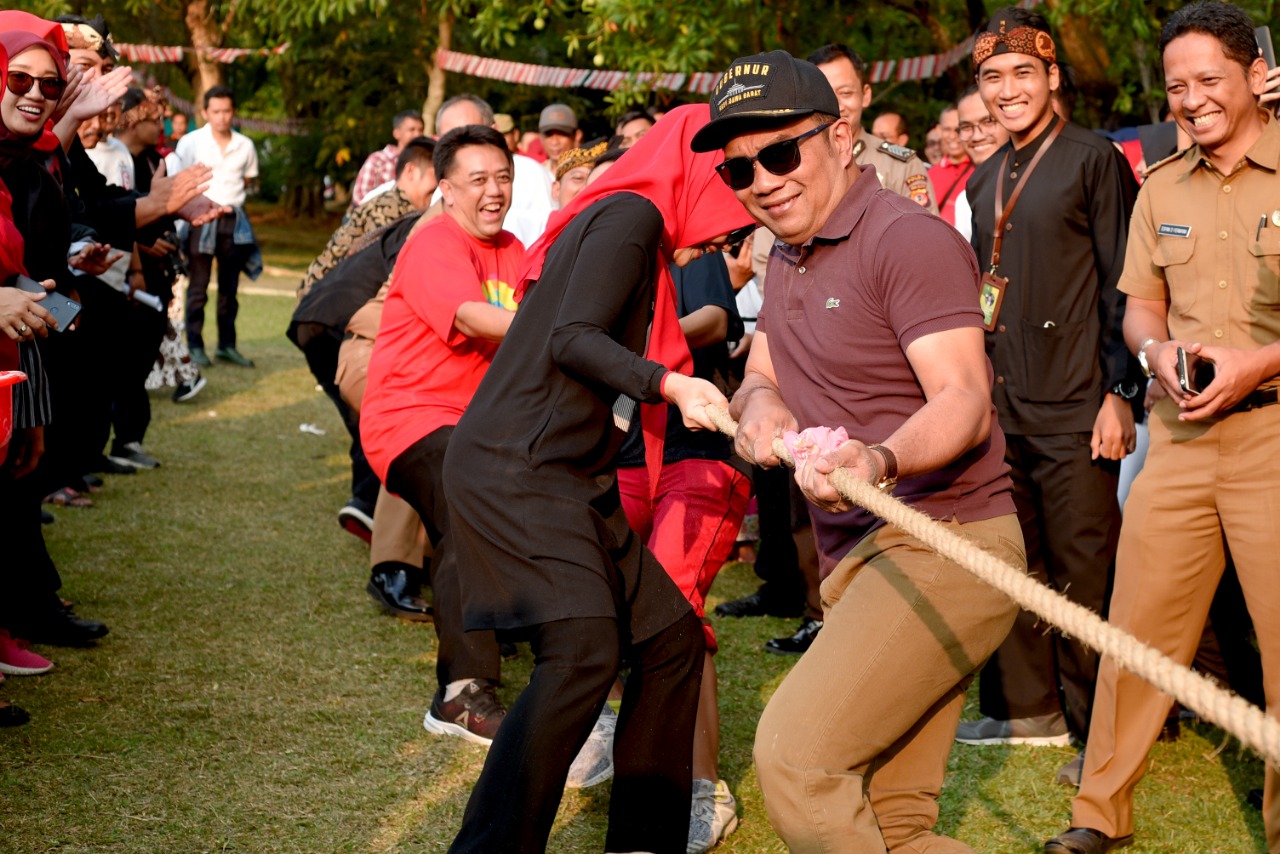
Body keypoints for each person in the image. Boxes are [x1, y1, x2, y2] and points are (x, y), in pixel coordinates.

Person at [692, 49, 1023, 852]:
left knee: (797, 762)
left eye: (780, 153)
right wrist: (761, 408)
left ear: (840, 136)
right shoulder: (785, 253)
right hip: (863, 561)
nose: (763, 181)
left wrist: (876, 460)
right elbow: (762, 374)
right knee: (895, 827)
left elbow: (963, 400)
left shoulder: (906, 239)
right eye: (741, 170)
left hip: (944, 542)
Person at [439, 104, 752, 853]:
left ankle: (644, 840)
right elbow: (572, 337)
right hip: (522, 467)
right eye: (736, 181)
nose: (737, 224)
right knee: (583, 650)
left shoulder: (625, 220)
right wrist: (671, 386)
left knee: (671, 637)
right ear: (699, 170)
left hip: (574, 472)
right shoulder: (631, 217)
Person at [1045, 4, 1280, 852]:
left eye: (1209, 80)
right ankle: (1097, 816)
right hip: (1177, 439)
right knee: (1134, 631)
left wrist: (1261, 362)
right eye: (1177, 85)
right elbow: (1140, 307)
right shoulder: (1161, 186)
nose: (1191, 99)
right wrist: (1155, 354)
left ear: (1256, 74)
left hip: (1273, 440)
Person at [959, 8, 1142, 770]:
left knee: (1085, 568)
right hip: (1007, 405)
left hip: (1078, 400)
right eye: (993, 78)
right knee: (1015, 562)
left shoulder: (1092, 159)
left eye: (1023, 74)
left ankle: (1104, 728)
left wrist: (1120, 392)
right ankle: (1030, 709)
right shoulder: (980, 178)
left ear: (1053, 77)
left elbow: (1124, 283)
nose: (1008, 90)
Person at [359, 125, 523, 747]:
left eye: (503, 177)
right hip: (411, 420)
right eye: (477, 180)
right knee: (467, 495)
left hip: (479, 427)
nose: (493, 191)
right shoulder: (435, 242)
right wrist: (553, 326)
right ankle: (461, 690)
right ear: (447, 191)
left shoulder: (516, 248)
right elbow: (473, 316)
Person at [174, 84, 261, 368]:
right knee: (198, 287)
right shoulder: (191, 142)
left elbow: (247, 181)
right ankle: (196, 346)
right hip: (200, 221)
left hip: (233, 222)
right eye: (216, 111)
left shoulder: (245, 145)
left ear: (234, 113)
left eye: (227, 111)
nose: (222, 117)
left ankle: (227, 345)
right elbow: (179, 181)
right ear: (204, 112)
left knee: (230, 289)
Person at [808, 43, 937, 212]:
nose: (836, 105)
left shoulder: (901, 166)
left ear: (866, 95)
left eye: (845, 93)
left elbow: (925, 234)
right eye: (824, 95)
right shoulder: (791, 163)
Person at [951, 86, 1010, 240]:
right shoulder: (964, 201)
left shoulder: (1042, 184)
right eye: (966, 127)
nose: (976, 136)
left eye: (988, 122)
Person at [349, 109, 424, 208]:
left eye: (420, 130)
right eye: (412, 130)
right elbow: (360, 197)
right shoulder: (378, 160)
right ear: (396, 133)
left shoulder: (423, 163)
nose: (417, 135)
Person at [928, 103, 973, 227]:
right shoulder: (929, 175)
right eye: (947, 130)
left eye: (958, 129)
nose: (953, 136)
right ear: (939, 130)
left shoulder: (983, 170)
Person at [537, 102, 582, 175]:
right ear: (541, 138)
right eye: (548, 134)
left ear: (577, 136)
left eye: (562, 134)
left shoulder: (587, 173)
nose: (554, 142)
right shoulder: (536, 174)